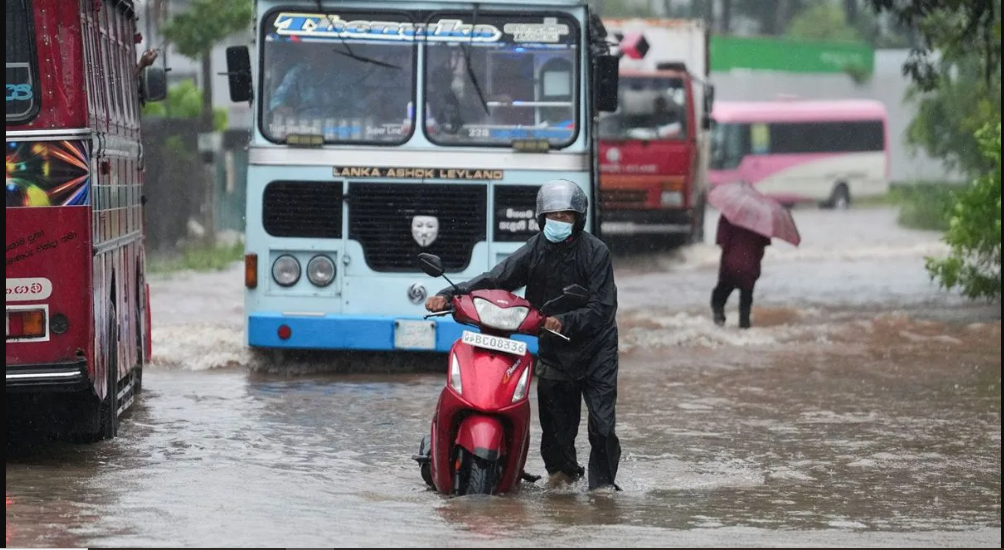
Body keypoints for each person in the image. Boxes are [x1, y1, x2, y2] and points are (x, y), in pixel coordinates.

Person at [424, 179, 622, 492]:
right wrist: (449, 295)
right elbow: (496, 278)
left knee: (602, 424)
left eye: (566, 216)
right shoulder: (535, 250)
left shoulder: (596, 253)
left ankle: (603, 487)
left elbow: (603, 309)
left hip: (596, 350)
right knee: (556, 428)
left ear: (579, 219)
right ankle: (564, 479)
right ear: (542, 218)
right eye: (553, 216)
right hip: (554, 350)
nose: (559, 222)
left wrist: (563, 322)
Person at [711, 214, 772, 329]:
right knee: (745, 307)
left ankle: (719, 322)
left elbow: (721, 242)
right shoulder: (761, 218)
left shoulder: (728, 216)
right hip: (750, 269)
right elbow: (763, 245)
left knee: (717, 299)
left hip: (730, 266)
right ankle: (744, 330)